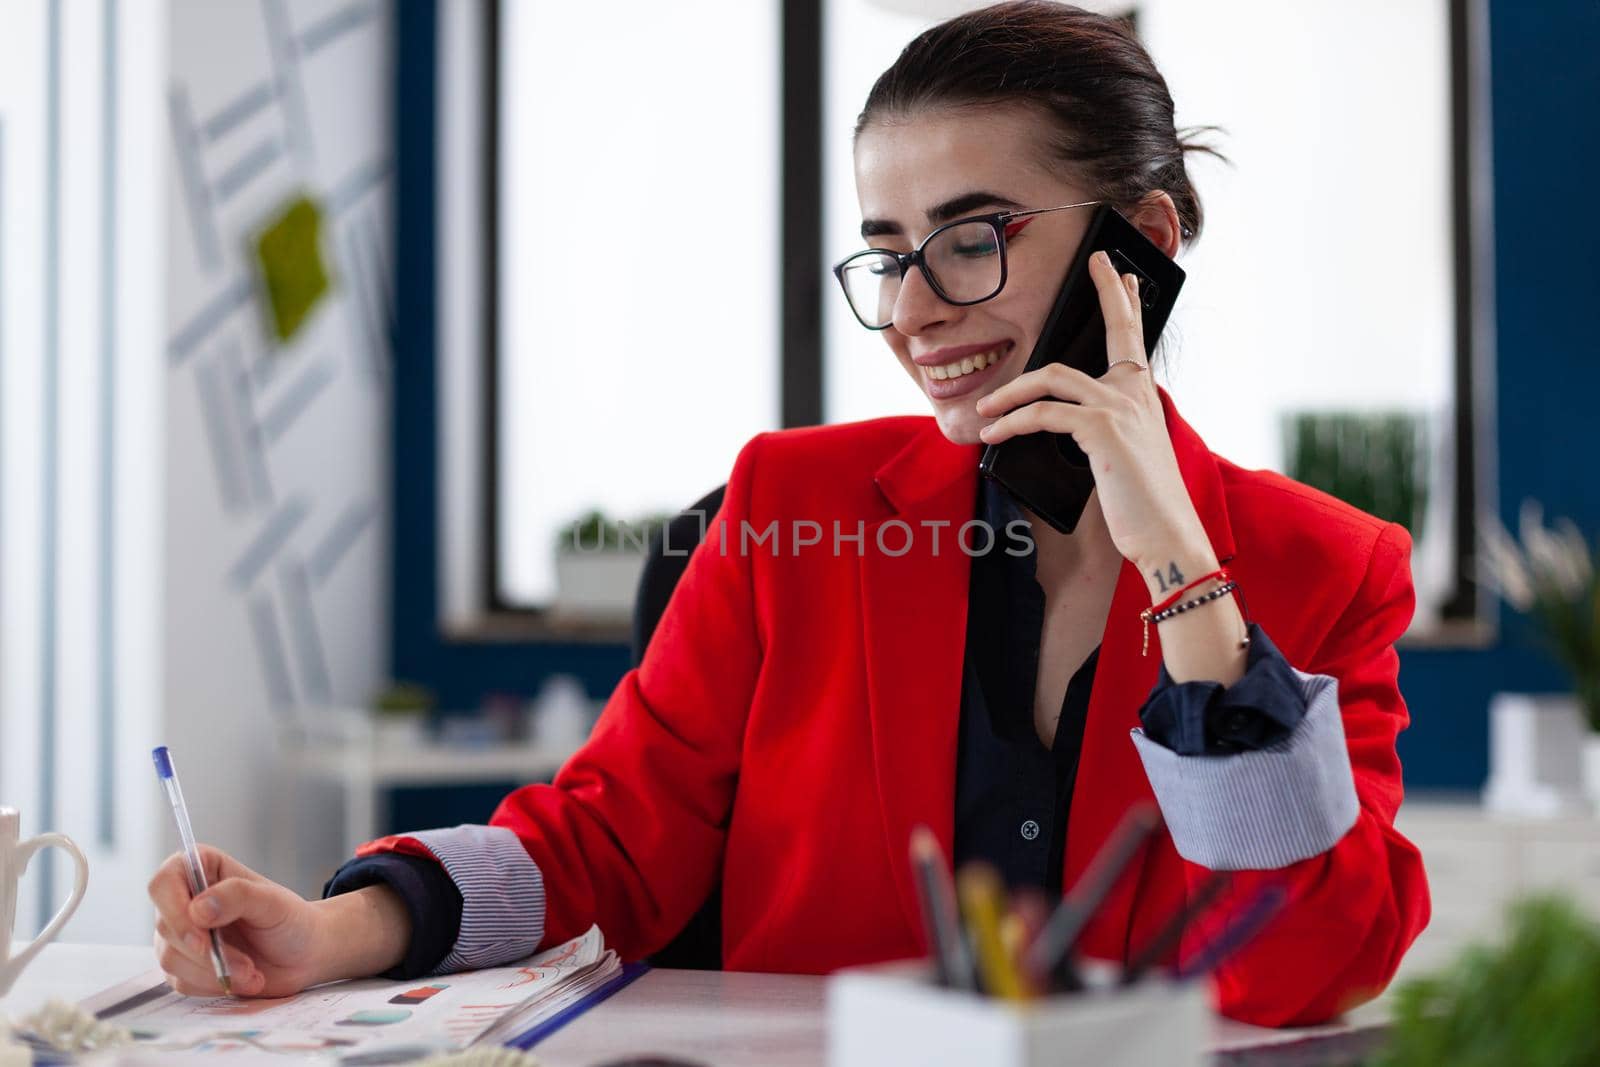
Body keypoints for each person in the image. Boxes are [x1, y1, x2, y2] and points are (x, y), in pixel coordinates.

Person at [148, 1, 1428, 1027]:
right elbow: (609, 837)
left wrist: (1185, 579)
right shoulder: (791, 506)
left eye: (972, 237)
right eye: (887, 252)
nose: (915, 311)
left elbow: (1305, 970)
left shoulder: (1324, 566)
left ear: (1139, 245)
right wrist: (334, 932)